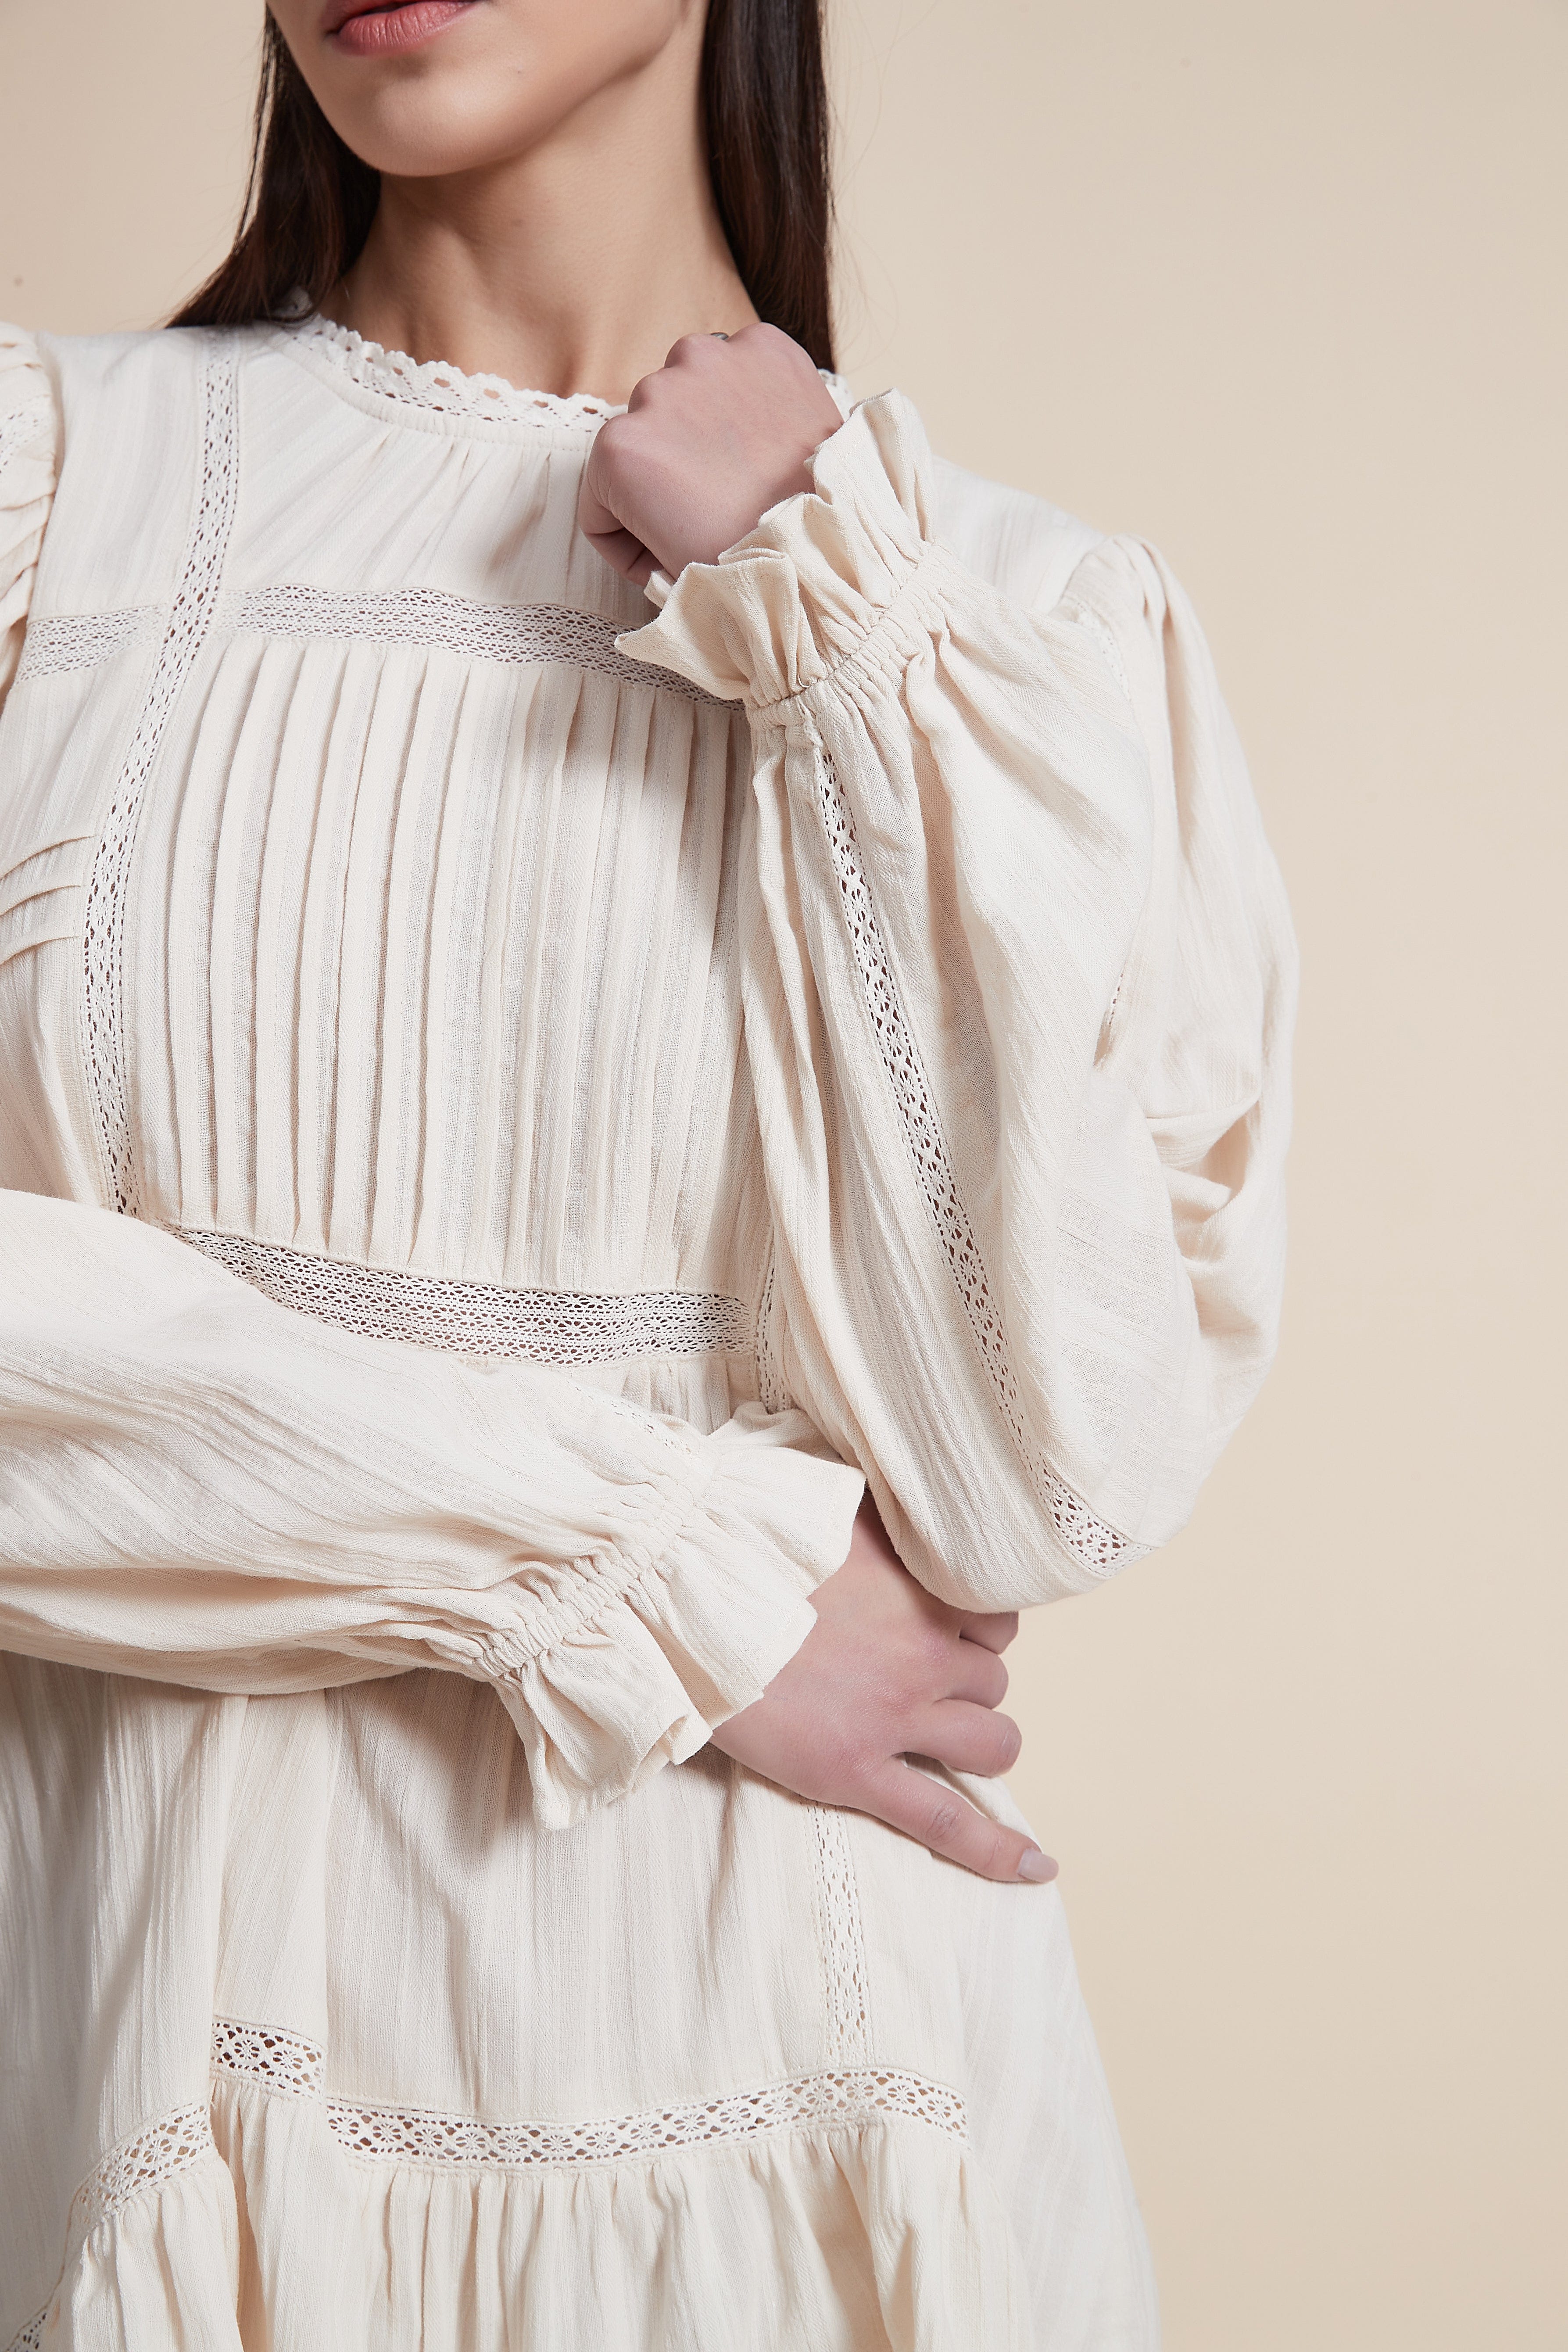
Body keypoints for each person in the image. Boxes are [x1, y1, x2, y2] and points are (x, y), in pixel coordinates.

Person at [0, 0, 1295, 2344]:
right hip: (159, 2108)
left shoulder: (1003, 631)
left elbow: (1035, 1478)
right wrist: (662, 1571)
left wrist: (830, 629)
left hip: (828, 2147)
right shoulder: (55, 491)